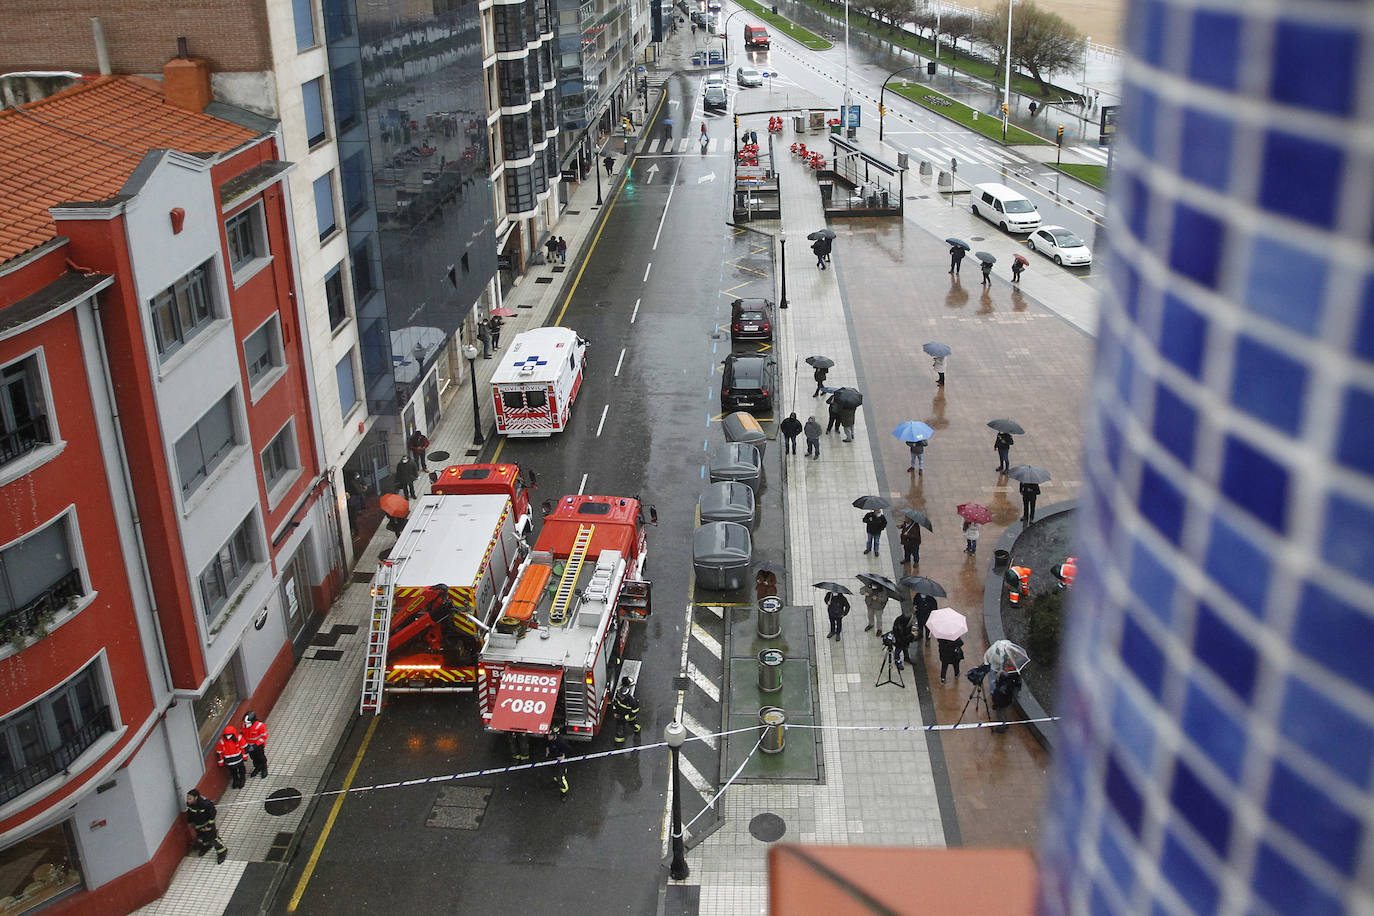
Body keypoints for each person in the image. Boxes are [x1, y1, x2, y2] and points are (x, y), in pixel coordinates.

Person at [185, 790, 229, 864]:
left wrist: (209, 826)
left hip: (207, 824)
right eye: (187, 798)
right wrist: (190, 822)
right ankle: (206, 846)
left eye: (190, 798)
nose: (188, 800)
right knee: (201, 836)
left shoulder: (205, 804)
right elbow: (190, 813)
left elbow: (213, 813)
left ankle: (222, 851)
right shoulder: (190, 804)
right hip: (198, 824)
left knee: (212, 838)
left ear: (196, 798)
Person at [611, 677, 641, 743]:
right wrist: (615, 712)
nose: (620, 698)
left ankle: (637, 734)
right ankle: (619, 742)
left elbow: (634, 712)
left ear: (626, 696)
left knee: (635, 726)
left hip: (629, 717)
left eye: (622, 697)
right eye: (620, 696)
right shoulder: (618, 695)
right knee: (619, 729)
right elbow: (615, 704)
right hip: (620, 715)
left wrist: (625, 717)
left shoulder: (633, 702)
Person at [546, 726, 572, 799]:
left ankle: (564, 793)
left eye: (550, 735)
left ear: (555, 735)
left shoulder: (561, 742)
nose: (548, 736)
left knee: (560, 777)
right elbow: (548, 745)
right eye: (548, 735)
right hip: (552, 760)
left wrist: (562, 756)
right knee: (554, 773)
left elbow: (570, 750)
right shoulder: (550, 740)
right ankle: (556, 782)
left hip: (560, 763)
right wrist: (547, 750)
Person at [242, 712, 269, 779]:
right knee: (254, 758)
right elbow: (243, 735)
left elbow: (264, 736)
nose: (245, 724)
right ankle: (257, 767)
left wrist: (255, 745)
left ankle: (264, 768)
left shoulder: (260, 726)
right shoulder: (244, 726)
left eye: (247, 723)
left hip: (258, 746)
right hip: (249, 746)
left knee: (261, 757)